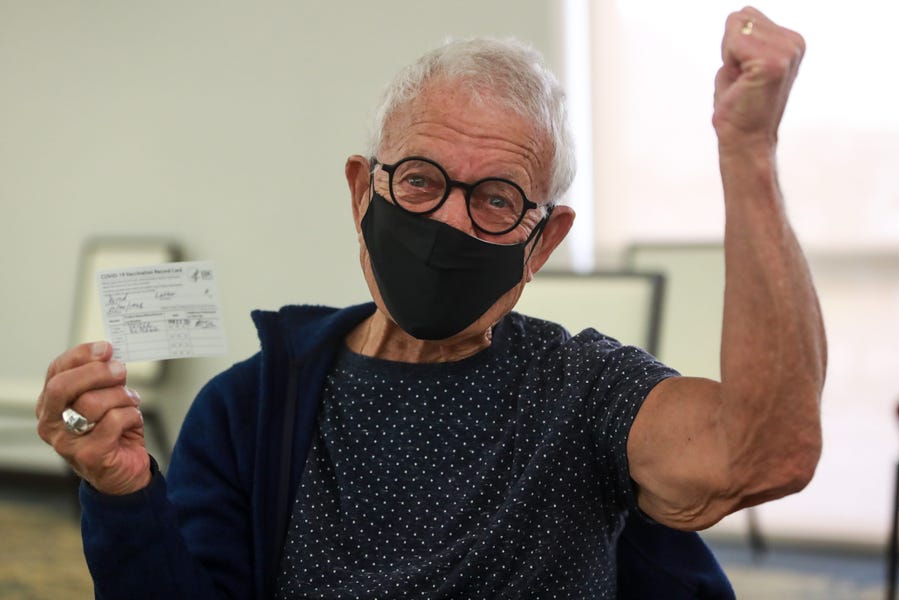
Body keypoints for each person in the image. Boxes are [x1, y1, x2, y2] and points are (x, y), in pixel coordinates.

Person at [36, 6, 824, 599]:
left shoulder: (587, 392)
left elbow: (764, 453)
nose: (448, 220)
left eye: (494, 198)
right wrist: (123, 492)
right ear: (361, 193)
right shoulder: (252, 407)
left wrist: (748, 151)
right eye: (418, 180)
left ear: (541, 243)